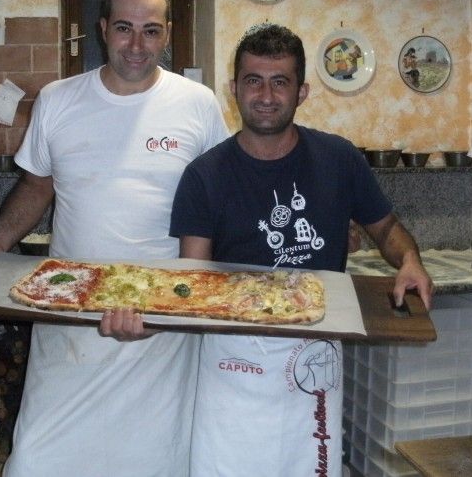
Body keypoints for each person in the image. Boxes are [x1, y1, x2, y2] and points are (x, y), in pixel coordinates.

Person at [0, 0, 228, 476]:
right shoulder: (58, 100)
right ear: (103, 29)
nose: (137, 45)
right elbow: (37, 185)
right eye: (125, 29)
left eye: (151, 31)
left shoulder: (198, 104)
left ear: (168, 34)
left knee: (152, 461)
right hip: (70, 313)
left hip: (158, 323)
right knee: (38, 459)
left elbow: (220, 204)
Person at [169, 24, 434, 477]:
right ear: (234, 89)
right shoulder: (204, 175)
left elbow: (387, 228)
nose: (266, 95)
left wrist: (410, 260)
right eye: (254, 80)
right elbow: (193, 282)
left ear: (302, 91)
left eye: (280, 81)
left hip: (314, 355)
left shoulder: (340, 160)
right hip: (233, 362)